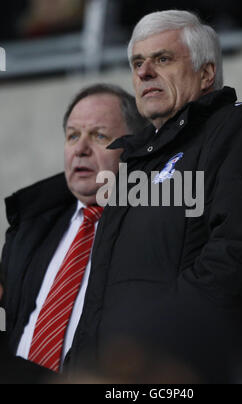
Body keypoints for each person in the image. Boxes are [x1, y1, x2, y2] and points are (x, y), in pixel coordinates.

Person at [63, 10, 242, 383]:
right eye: (137, 62)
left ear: (206, 74)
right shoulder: (133, 164)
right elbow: (101, 293)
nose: (143, 72)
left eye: (163, 59)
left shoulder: (241, 127)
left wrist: (152, 347)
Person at [0, 83, 147, 382]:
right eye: (72, 135)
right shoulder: (30, 228)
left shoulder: (153, 227)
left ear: (135, 147)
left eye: (99, 135)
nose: (80, 149)